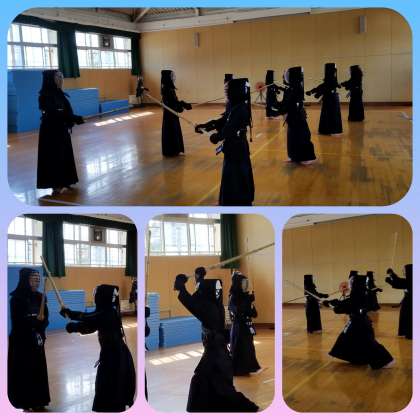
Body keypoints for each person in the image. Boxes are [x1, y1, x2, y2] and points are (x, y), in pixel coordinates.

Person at [174, 267, 259, 412]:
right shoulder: (215, 304)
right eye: (217, 290)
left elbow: (192, 303)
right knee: (211, 380)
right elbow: (199, 297)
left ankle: (207, 406)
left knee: (208, 381)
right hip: (217, 351)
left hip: (216, 352)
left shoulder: (209, 308)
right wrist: (199, 278)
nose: (218, 292)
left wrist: (181, 287)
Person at [60, 285, 136, 412]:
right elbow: (89, 319)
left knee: (109, 385)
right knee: (113, 385)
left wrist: (72, 326)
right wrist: (69, 313)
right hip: (116, 354)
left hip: (113, 357)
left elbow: (89, 322)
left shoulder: (106, 314)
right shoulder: (110, 311)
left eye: (97, 295)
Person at [195, 78, 254, 205]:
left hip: (237, 149)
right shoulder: (235, 106)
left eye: (228, 90)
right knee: (231, 175)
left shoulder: (241, 109)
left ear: (235, 91)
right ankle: (230, 201)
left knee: (235, 175)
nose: (226, 93)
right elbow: (223, 121)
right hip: (233, 147)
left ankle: (234, 202)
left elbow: (229, 129)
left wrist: (216, 137)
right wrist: (205, 126)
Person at [323, 274, 394, 369]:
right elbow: (346, 302)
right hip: (359, 321)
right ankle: (357, 358)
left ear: (356, 284)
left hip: (360, 323)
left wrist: (331, 305)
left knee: (369, 343)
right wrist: (331, 302)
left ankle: (385, 360)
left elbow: (345, 306)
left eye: (351, 283)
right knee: (346, 338)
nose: (349, 285)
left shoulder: (358, 296)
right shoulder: (361, 293)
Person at [8, 268, 50, 411]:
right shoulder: (16, 299)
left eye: (38, 278)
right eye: (33, 278)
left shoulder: (40, 297)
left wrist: (41, 325)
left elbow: (45, 318)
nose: (37, 280)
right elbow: (18, 321)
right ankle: (26, 402)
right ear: (25, 279)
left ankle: (39, 400)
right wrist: (34, 323)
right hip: (22, 341)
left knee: (38, 370)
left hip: (37, 339)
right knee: (25, 371)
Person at [37, 70, 84, 195]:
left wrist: (73, 119)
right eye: (58, 76)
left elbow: (65, 111)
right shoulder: (45, 95)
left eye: (62, 76)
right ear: (50, 79)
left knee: (64, 154)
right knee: (54, 157)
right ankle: (56, 185)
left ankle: (66, 180)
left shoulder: (60, 93)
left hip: (61, 129)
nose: (61, 78)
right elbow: (55, 113)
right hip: (51, 132)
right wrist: (74, 118)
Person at [278, 67, 317, 164]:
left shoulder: (296, 88)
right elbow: (284, 103)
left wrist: (277, 109)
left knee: (302, 137)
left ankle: (307, 157)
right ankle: (294, 156)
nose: (285, 77)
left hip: (298, 117)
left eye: (287, 75)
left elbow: (287, 105)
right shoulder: (291, 88)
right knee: (292, 138)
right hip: (292, 118)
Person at [228, 272, 261, 375]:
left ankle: (249, 367)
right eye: (243, 283)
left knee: (249, 347)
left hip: (247, 326)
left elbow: (254, 314)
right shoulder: (233, 297)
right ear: (238, 283)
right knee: (240, 347)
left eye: (246, 282)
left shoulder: (245, 296)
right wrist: (248, 301)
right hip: (238, 327)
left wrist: (249, 302)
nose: (245, 285)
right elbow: (238, 312)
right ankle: (239, 370)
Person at [161, 69, 192, 157]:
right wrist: (182, 105)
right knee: (171, 131)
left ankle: (175, 150)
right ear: (168, 78)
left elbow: (174, 101)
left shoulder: (169, 88)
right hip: (169, 115)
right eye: (172, 76)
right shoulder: (166, 89)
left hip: (172, 114)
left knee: (174, 130)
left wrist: (182, 105)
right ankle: (171, 151)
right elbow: (171, 103)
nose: (173, 78)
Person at [306, 63, 343, 135]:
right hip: (332, 99)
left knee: (328, 115)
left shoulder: (331, 79)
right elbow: (322, 86)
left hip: (330, 100)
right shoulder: (332, 78)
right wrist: (312, 92)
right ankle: (331, 130)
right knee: (330, 115)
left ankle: (328, 130)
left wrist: (315, 93)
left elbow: (324, 88)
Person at [385, 264, 412, 339]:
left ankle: (410, 334)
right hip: (408, 302)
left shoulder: (411, 281)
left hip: (410, 304)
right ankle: (407, 332)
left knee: (409, 318)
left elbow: (399, 283)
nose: (403, 271)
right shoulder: (410, 280)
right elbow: (399, 281)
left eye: (404, 270)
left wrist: (390, 280)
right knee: (406, 317)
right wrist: (391, 274)